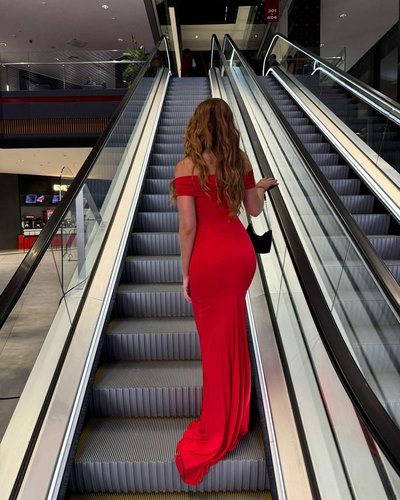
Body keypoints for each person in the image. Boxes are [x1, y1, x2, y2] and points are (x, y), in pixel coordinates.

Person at [170, 98, 278, 485]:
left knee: (214, 345)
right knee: (229, 337)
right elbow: (254, 211)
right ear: (228, 125)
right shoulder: (240, 161)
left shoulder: (186, 167)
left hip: (209, 261)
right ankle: (236, 416)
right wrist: (259, 187)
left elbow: (188, 227)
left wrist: (185, 272)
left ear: (197, 126)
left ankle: (221, 424)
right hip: (239, 257)